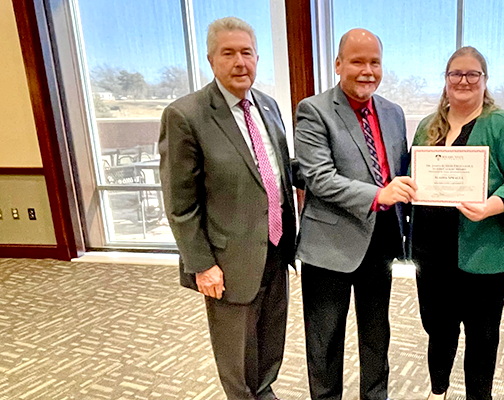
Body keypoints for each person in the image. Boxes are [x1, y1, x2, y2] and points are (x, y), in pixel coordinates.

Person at [159, 17, 296, 400]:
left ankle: (264, 390)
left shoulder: (267, 106)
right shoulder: (186, 115)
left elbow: (277, 170)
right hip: (227, 257)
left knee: (271, 335)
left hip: (275, 245)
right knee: (235, 351)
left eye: (247, 53)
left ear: (257, 58)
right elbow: (179, 202)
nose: (240, 62)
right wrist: (201, 263)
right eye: (229, 53)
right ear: (211, 59)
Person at [409, 46, 504, 400]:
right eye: (456, 73)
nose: (464, 81)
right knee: (438, 328)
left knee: (481, 335)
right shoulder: (428, 126)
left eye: (473, 74)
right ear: (446, 80)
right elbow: (416, 173)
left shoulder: (502, 124)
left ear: (485, 80)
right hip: (433, 250)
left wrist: (493, 204)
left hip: (485, 252)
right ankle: (438, 390)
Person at [293, 28, 415, 400]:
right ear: (338, 64)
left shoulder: (393, 113)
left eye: (374, 62)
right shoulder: (313, 110)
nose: (367, 70)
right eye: (358, 61)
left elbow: (401, 168)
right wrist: (380, 194)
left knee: (377, 336)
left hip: (380, 242)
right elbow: (320, 178)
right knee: (325, 340)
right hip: (329, 245)